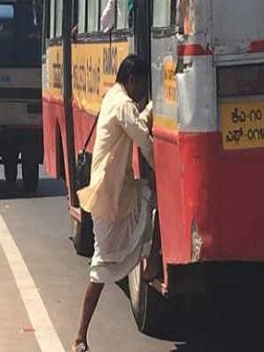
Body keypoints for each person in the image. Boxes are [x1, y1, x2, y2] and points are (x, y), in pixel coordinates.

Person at [72, 55, 156, 352]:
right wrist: (161, 167)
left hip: (119, 192)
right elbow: (143, 139)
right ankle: (80, 336)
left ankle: (150, 262)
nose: (142, 91)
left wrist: (152, 107)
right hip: (108, 197)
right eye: (142, 85)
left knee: (149, 199)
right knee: (100, 268)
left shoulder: (115, 97)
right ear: (132, 81)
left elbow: (138, 122)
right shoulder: (122, 104)